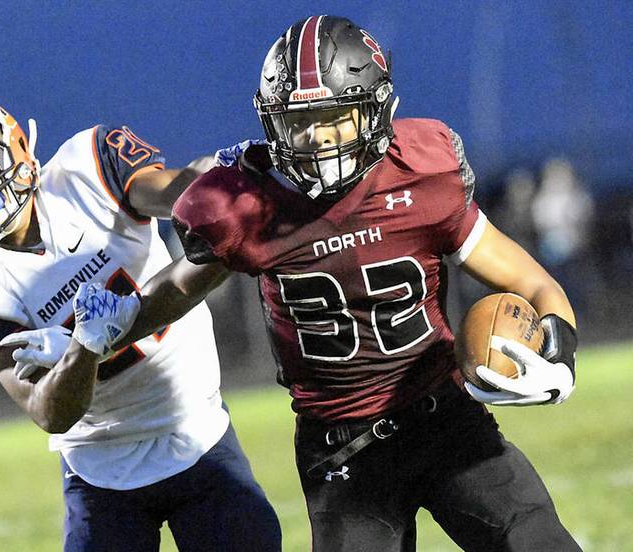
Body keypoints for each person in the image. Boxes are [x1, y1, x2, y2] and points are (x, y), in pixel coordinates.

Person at [88, 16, 582, 551]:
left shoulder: (421, 173)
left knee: (538, 543)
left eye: (335, 118)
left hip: (445, 418)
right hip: (343, 453)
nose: (317, 137)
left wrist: (560, 348)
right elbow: (178, 289)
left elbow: (531, 282)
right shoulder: (246, 206)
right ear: (274, 124)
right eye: (300, 121)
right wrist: (100, 332)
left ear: (373, 112)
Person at [0, 94, 281, 552]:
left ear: (13, 146)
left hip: (198, 433)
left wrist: (215, 186)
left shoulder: (87, 169)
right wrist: (84, 348)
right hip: (99, 472)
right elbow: (49, 412)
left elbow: (176, 193)